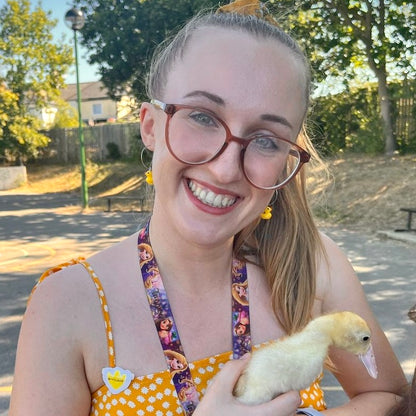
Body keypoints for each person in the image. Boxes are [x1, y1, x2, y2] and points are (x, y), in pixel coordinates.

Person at [9, 1, 407, 415]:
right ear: (150, 126)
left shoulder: (312, 265)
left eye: (267, 139)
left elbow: (387, 397)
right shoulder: (69, 303)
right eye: (202, 117)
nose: (224, 168)